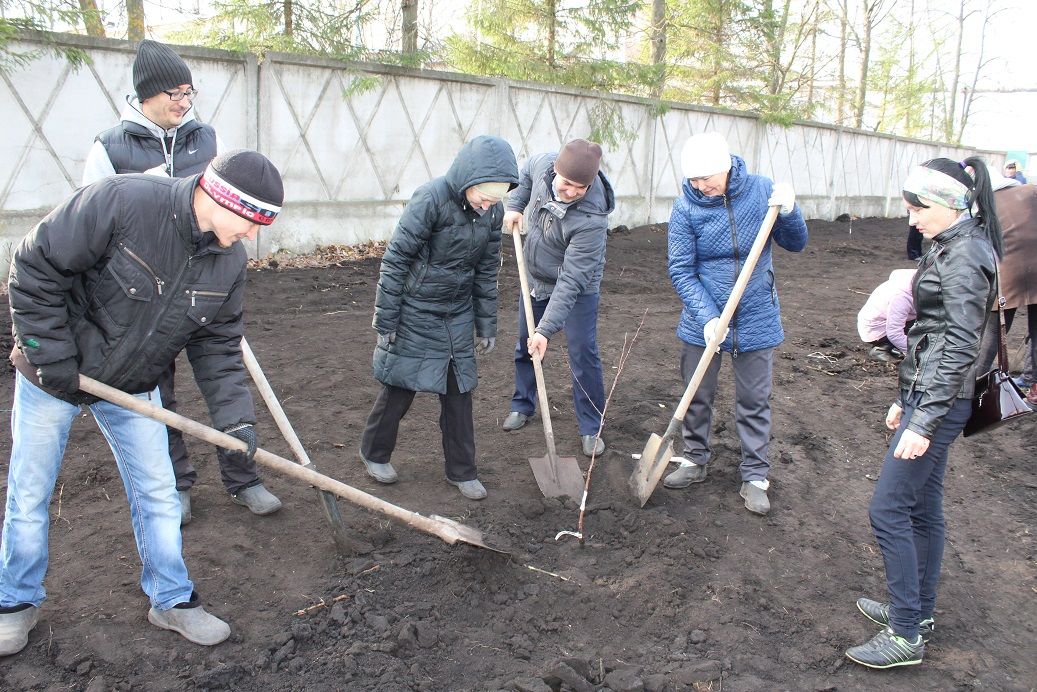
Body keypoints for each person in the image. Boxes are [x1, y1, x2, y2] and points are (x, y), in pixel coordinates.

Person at [0, 150, 284, 655]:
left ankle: (171, 600)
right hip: (51, 374)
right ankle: (16, 603)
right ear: (217, 197)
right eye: (250, 220)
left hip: (133, 386)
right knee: (30, 493)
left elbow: (217, 349)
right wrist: (51, 355)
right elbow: (34, 264)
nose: (253, 235)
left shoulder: (228, 263)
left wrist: (236, 421)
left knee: (159, 494)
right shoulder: (123, 201)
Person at [82, 39, 281, 523]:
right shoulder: (111, 147)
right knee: (157, 388)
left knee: (223, 370)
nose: (184, 101)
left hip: (207, 281)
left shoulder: (205, 139)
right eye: (174, 93)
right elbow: (91, 215)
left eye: (189, 92)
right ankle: (177, 483)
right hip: (143, 292)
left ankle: (243, 477)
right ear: (146, 93)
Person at [845, 157, 1000, 669]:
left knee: (887, 509)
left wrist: (923, 419)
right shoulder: (950, 244)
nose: (911, 218)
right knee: (921, 506)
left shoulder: (964, 256)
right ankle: (919, 611)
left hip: (943, 401)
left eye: (919, 208)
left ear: (950, 204)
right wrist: (904, 397)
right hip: (931, 393)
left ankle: (906, 633)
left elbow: (959, 345)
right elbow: (929, 335)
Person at [360, 135, 519, 500]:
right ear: (467, 179)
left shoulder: (492, 212)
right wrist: (386, 319)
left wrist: (485, 322)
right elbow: (396, 259)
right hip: (416, 309)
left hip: (457, 312)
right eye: (483, 195)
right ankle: (374, 453)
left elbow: (486, 268)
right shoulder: (431, 198)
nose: (487, 205)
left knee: (459, 391)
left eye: (495, 199)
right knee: (401, 385)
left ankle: (462, 471)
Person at [661, 132, 807, 516]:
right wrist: (707, 316)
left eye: (706, 178)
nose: (700, 186)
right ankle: (694, 458)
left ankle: (756, 474)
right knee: (696, 394)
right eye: (693, 180)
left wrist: (790, 212)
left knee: (754, 400)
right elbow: (680, 268)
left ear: (726, 168)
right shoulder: (686, 208)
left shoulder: (761, 191)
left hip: (756, 312)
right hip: (701, 318)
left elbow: (796, 244)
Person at [499, 139, 616, 458]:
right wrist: (515, 206)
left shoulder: (593, 218)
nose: (572, 191)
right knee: (525, 341)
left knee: (582, 352)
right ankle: (522, 404)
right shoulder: (543, 164)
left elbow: (571, 279)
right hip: (535, 276)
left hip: (577, 286)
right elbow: (524, 175)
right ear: (555, 172)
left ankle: (592, 426)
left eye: (582, 186)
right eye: (567, 183)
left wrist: (546, 330)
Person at [974, 179, 1037, 405]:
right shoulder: (1031, 190)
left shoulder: (986, 201)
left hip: (1008, 270)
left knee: (994, 330)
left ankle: (976, 385)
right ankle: (1034, 385)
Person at [857, 269, 916, 362]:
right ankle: (881, 349)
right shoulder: (901, 297)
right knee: (922, 324)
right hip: (876, 329)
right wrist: (915, 352)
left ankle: (894, 347)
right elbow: (894, 333)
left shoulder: (921, 279)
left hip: (893, 321)